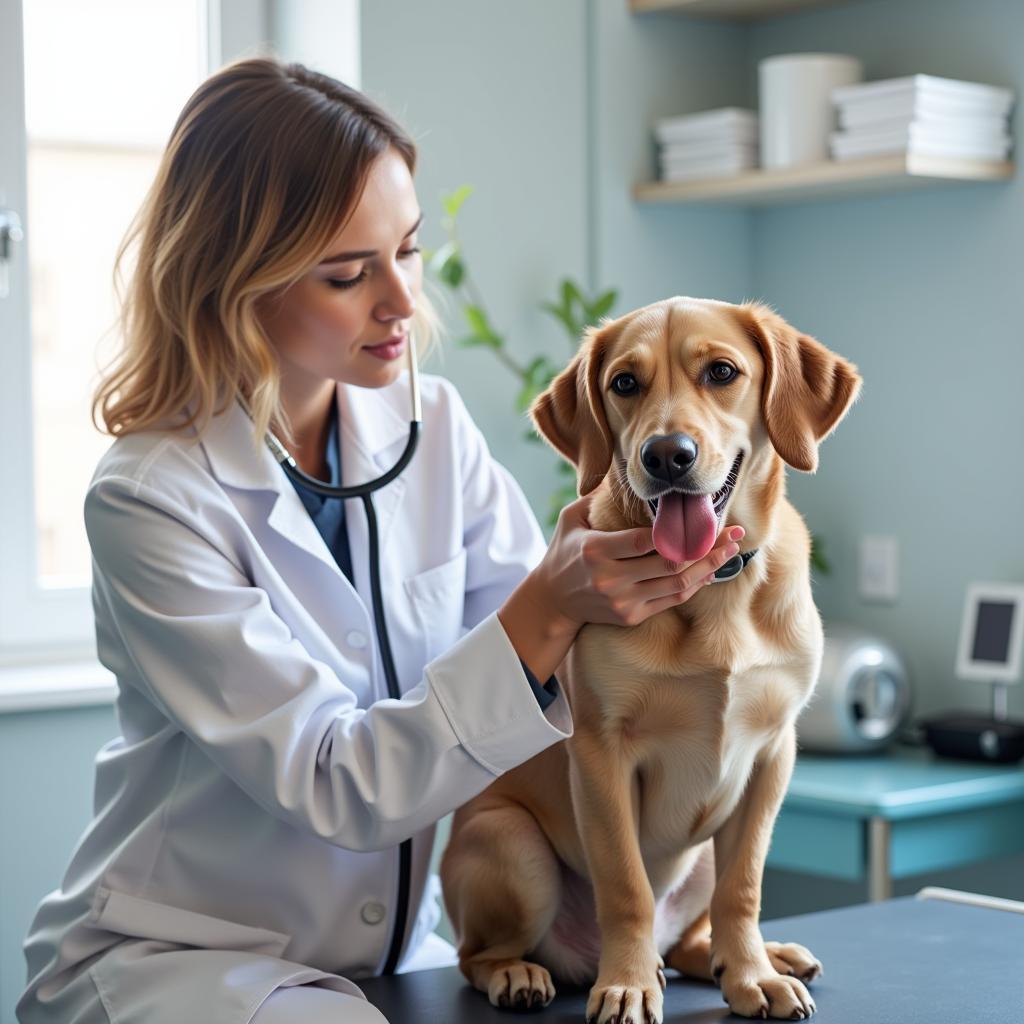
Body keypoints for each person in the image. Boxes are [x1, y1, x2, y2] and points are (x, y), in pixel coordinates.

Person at [16, 57, 743, 1024]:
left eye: (407, 250)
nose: (401, 301)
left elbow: (552, 706)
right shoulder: (150, 499)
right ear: (238, 281)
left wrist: (661, 598)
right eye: (350, 274)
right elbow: (336, 781)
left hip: (395, 955)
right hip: (189, 961)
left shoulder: (429, 428)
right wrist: (552, 602)